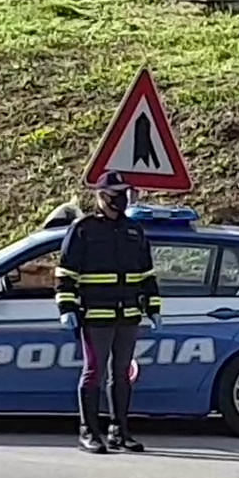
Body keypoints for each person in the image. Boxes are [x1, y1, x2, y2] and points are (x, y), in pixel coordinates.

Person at [53, 171, 161, 454]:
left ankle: (119, 431)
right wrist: (67, 307)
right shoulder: (83, 229)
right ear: (100, 196)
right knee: (94, 372)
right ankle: (88, 432)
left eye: (124, 194)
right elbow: (65, 273)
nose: (120, 200)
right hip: (95, 314)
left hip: (128, 314)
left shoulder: (134, 230)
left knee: (122, 374)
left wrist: (153, 308)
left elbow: (147, 274)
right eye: (115, 194)